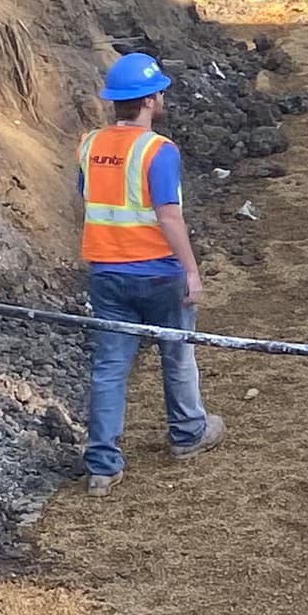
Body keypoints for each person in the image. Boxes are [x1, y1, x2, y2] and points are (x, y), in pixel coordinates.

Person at [79, 50, 224, 478]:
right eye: (159, 92)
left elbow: (88, 196)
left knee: (109, 367)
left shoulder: (90, 145)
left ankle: (102, 464)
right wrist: (192, 271)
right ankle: (187, 433)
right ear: (147, 101)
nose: (162, 98)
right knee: (177, 354)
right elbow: (168, 215)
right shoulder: (158, 150)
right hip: (159, 272)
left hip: (106, 273)